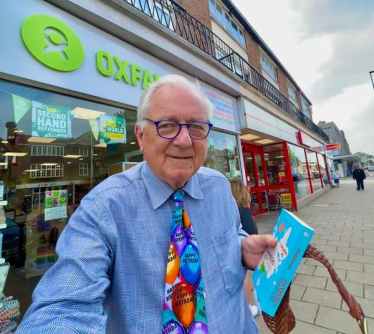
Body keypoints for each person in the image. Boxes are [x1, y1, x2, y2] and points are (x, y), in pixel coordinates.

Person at [16, 75, 276, 333]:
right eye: (168, 125)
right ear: (140, 136)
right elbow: (63, 307)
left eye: (196, 127)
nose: (184, 140)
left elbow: (229, 237)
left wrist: (242, 247)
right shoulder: (103, 207)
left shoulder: (219, 187)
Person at [230, 179, 259, 318]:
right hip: (249, 241)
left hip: (243, 246)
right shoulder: (245, 208)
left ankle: (247, 307)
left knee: (245, 277)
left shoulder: (233, 209)